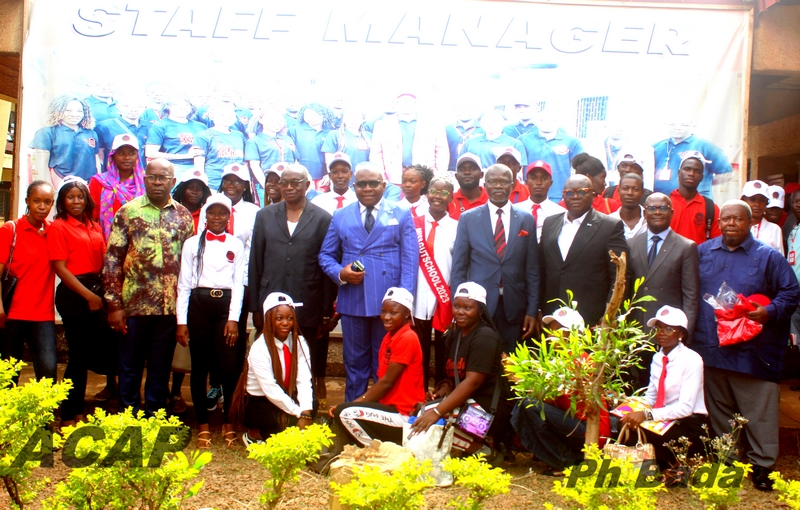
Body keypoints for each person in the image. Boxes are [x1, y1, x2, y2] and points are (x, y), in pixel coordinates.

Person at [694, 200, 800, 491]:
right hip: (712, 347)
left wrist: (770, 311)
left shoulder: (768, 257)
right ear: (719, 223)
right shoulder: (702, 253)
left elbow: (791, 292)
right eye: (725, 219)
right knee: (720, 411)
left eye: (737, 219)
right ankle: (726, 462)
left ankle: (763, 466)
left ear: (750, 222)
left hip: (753, 350)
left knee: (759, 412)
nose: (731, 223)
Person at [318, 161, 418, 401]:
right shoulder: (341, 215)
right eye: (361, 184)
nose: (368, 188)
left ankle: (381, 413)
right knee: (354, 363)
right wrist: (341, 273)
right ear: (354, 187)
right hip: (354, 297)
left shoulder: (401, 213)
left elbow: (410, 258)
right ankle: (350, 413)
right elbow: (325, 255)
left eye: (373, 183)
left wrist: (403, 300)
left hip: (389, 301)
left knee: (384, 362)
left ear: (383, 185)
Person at [103, 158, 194, 415]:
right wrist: (114, 305)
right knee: (129, 366)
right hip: (133, 307)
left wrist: (184, 311)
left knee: (160, 367)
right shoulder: (128, 212)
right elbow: (112, 260)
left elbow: (189, 264)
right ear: (144, 179)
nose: (157, 182)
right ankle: (128, 418)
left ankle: (154, 417)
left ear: (173, 182)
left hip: (169, 309)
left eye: (163, 177)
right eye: (152, 177)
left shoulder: (184, 216)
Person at [249, 163, 334, 401]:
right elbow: (256, 261)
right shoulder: (264, 215)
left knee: (303, 358)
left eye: (295, 183)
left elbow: (326, 266)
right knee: (270, 357)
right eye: (283, 183)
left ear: (307, 185)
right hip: (270, 301)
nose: (288, 187)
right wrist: (255, 307)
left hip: (307, 301)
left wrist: (326, 310)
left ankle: (303, 407)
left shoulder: (322, 219)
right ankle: (270, 405)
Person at [409, 282, 510, 464]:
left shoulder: (484, 337)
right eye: (457, 306)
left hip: (489, 412)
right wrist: (440, 393)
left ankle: (483, 451)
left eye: (468, 308)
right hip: (468, 404)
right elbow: (452, 377)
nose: (460, 312)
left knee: (430, 415)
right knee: (420, 410)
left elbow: (472, 382)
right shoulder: (455, 336)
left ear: (480, 310)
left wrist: (438, 410)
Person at [176, 194, 245, 448]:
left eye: (222, 213)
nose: (217, 218)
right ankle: (203, 424)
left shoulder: (236, 244)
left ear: (228, 217)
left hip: (224, 309)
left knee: (228, 367)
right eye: (212, 213)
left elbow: (238, 285)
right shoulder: (192, 244)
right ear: (205, 215)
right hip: (198, 307)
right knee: (200, 366)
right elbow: (184, 284)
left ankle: (228, 423)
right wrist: (181, 321)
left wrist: (233, 319)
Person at [511, 307, 612, 475]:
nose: (551, 335)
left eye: (558, 331)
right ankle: (560, 457)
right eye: (552, 330)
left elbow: (548, 398)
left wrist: (516, 379)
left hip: (590, 431)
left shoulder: (579, 360)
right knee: (526, 405)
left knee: (529, 405)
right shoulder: (563, 358)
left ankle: (567, 462)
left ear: (573, 335)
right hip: (576, 423)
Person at [451, 164, 539, 353]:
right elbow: (459, 267)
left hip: (514, 306)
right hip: (479, 306)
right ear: (485, 184)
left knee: (511, 366)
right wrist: (457, 307)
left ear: (512, 184)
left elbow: (532, 269)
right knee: (480, 362)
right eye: (492, 181)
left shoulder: (526, 219)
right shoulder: (468, 218)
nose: (498, 186)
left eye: (503, 182)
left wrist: (532, 310)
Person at [47, 177, 112, 425]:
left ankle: (78, 409)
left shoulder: (94, 225)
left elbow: (105, 258)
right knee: (78, 355)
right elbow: (60, 269)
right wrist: (89, 296)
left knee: (87, 354)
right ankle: (70, 412)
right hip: (74, 295)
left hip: (96, 288)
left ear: (87, 200)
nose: (76, 201)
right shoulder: (58, 227)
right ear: (63, 201)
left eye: (80, 197)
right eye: (70, 197)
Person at [331, 287, 425, 447]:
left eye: (393, 313)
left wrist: (353, 405)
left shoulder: (407, 338)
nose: (386, 317)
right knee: (342, 413)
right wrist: (354, 405)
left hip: (404, 414)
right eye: (383, 312)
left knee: (345, 413)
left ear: (407, 314)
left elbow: (386, 382)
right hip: (388, 408)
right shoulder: (390, 337)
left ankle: (380, 451)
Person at [620, 305, 707, 470]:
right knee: (624, 423)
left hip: (688, 423)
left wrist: (646, 414)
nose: (661, 333)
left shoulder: (692, 359)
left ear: (681, 334)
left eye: (668, 329)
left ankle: (674, 464)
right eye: (658, 329)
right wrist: (627, 404)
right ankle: (658, 465)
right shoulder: (658, 358)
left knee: (644, 429)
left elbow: (685, 408)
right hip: (664, 418)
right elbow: (651, 397)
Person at [627, 193, 700, 387]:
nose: (657, 212)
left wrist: (684, 334)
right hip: (637, 332)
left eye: (663, 208)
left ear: (671, 213)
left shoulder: (686, 247)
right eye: (652, 208)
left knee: (666, 389)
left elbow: (691, 295)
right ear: (644, 213)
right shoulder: (631, 244)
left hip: (668, 333)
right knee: (639, 388)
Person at [540, 175, 629, 326]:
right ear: (563, 195)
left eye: (581, 192)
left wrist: (611, 313)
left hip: (591, 316)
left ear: (593, 195)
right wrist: (538, 308)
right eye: (570, 192)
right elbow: (541, 268)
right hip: (553, 314)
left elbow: (619, 274)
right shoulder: (550, 223)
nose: (575, 197)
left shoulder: (609, 226)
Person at [230, 292, 314, 445]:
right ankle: (254, 435)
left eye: (290, 318)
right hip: (259, 402)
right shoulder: (259, 348)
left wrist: (306, 412)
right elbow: (270, 389)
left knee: (310, 406)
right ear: (269, 320)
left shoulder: (299, 342)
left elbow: (304, 379)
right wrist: (298, 413)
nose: (285, 323)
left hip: (285, 395)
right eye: (279, 318)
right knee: (287, 423)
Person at [0, 181, 57, 381]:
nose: (42, 207)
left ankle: (44, 413)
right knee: (8, 375)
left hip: (43, 316)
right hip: (11, 314)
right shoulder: (11, 230)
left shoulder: (54, 233)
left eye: (47, 202)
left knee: (48, 371)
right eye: (36, 201)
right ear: (27, 201)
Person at [413, 174, 458, 385]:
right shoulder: (413, 223)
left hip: (444, 296)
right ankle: (418, 389)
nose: (437, 197)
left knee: (443, 346)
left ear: (451, 197)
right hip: (418, 294)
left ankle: (441, 387)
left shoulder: (458, 227)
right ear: (426, 193)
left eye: (444, 193)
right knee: (419, 346)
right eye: (433, 191)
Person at [370, 93, 449, 185]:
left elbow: (441, 151)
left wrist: (438, 176)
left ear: (416, 103)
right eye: (402, 102)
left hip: (425, 177)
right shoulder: (381, 125)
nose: (406, 104)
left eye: (409, 101)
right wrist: (382, 178)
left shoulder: (434, 124)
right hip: (393, 179)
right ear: (396, 103)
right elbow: (376, 154)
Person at [652, 116, 733, 198]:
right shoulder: (656, 147)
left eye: (684, 125)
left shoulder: (706, 146)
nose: (677, 128)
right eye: (672, 124)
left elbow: (727, 174)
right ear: (666, 125)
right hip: (662, 203)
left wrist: (702, 184)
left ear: (693, 126)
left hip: (695, 202)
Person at [29, 95, 98, 186]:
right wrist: (49, 191)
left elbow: (96, 162)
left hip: (88, 184)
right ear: (58, 111)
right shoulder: (47, 133)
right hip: (60, 182)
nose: (75, 114)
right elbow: (40, 165)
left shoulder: (91, 134)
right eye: (68, 110)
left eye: (79, 111)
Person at [89, 134, 146, 241]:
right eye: (121, 153)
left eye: (131, 153)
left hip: (140, 241)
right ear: (113, 155)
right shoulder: (99, 182)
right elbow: (92, 217)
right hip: (107, 241)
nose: (127, 158)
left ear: (137, 156)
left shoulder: (146, 182)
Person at [519, 109, 583, 202]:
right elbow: (517, 167)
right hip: (529, 193)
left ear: (559, 121)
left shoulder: (572, 141)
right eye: (542, 120)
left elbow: (580, 167)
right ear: (535, 122)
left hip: (560, 194)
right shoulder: (523, 139)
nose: (547, 123)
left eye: (552, 120)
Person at [145, 95, 207, 179]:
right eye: (176, 105)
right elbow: (150, 152)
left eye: (186, 105)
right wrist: (186, 156)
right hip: (175, 168)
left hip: (202, 167)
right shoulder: (160, 126)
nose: (182, 108)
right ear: (168, 107)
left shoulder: (201, 126)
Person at [245, 105, 298, 204]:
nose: (277, 123)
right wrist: (266, 185)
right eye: (272, 120)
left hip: (290, 184)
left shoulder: (287, 139)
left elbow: (295, 161)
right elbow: (255, 166)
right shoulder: (254, 141)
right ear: (261, 120)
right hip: (268, 185)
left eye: (280, 121)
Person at [668, 151, 721, 246]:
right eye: (687, 169)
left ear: (701, 177)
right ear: (679, 173)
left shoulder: (711, 208)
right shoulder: (665, 203)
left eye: (697, 171)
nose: (691, 174)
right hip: (667, 259)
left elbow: (716, 243)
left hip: (698, 260)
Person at [194, 102, 247, 190]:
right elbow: (199, 165)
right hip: (214, 184)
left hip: (238, 183)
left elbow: (244, 162)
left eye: (231, 114)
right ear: (212, 116)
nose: (227, 117)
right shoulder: (203, 136)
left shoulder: (239, 135)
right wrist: (202, 185)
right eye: (223, 114)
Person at [94, 94, 149, 172]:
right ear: (118, 106)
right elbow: (99, 152)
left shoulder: (150, 127)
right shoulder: (104, 126)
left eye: (139, 107)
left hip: (141, 175)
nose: (133, 110)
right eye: (127, 106)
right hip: (114, 175)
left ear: (145, 108)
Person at [287, 103, 336, 191]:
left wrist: (329, 174)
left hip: (324, 177)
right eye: (308, 115)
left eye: (315, 115)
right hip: (301, 176)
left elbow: (333, 156)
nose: (311, 117)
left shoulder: (331, 132)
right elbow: (290, 154)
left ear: (323, 115)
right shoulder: (294, 130)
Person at [515, 161, 566, 242]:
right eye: (533, 178)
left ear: (551, 183)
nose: (539, 183)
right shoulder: (515, 210)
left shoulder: (560, 213)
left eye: (544, 178)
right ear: (526, 181)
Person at [461, 110, 527, 170]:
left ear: (504, 122)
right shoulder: (470, 142)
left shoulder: (515, 144)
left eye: (494, 121)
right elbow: (461, 164)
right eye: (485, 121)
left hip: (501, 181)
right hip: (474, 181)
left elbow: (519, 170)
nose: (489, 124)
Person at [322, 108, 372, 172]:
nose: (352, 120)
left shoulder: (369, 136)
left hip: (364, 176)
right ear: (343, 119)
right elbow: (329, 160)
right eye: (349, 117)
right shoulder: (334, 135)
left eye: (356, 117)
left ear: (363, 119)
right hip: (342, 176)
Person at [741, 180, 784, 253]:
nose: (757, 204)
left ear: (767, 203)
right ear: (744, 201)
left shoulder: (774, 230)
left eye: (762, 200)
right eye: (753, 200)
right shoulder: (737, 227)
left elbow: (779, 262)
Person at [448, 153, 488, 220]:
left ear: (481, 174)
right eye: (462, 169)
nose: (467, 172)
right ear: (456, 176)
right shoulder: (448, 200)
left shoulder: (491, 200)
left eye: (473, 169)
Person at [171, 169, 212, 234]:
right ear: (183, 189)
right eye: (190, 188)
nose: (194, 192)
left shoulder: (206, 216)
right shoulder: (171, 212)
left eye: (199, 189)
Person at [609, 173, 647, 239]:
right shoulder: (608, 222)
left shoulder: (650, 220)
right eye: (625, 188)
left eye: (635, 189)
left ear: (642, 193)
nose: (630, 193)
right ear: (619, 191)